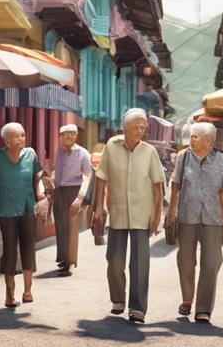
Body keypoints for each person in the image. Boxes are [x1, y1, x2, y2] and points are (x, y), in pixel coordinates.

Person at [91, 108, 165, 324]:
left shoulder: (150, 151)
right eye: (137, 126)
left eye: (144, 127)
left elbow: (158, 188)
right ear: (125, 127)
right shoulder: (112, 147)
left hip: (143, 213)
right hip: (118, 212)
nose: (141, 130)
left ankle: (137, 308)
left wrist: (156, 217)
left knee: (140, 263)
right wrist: (98, 208)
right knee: (114, 259)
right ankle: (118, 299)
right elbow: (101, 177)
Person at [167, 122, 223, 323]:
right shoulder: (183, 157)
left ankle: (203, 308)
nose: (192, 139)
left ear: (209, 142)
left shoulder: (222, 161)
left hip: (213, 217)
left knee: (211, 263)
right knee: (185, 261)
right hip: (187, 215)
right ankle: (187, 299)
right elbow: (176, 185)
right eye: (192, 136)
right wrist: (171, 211)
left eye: (196, 136)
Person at [0, 122, 45, 308]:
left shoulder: (31, 154)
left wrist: (42, 195)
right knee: (9, 250)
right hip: (6, 210)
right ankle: (10, 292)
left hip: (28, 207)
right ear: (6, 140)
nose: (21, 139)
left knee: (28, 247)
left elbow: (38, 177)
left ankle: (28, 290)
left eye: (23, 135)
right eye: (16, 136)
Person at [46, 124, 91, 276]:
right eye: (65, 135)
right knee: (60, 228)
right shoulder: (59, 151)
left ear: (76, 136)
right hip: (59, 192)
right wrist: (51, 186)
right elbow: (55, 170)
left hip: (74, 192)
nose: (69, 137)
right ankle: (63, 259)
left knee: (71, 229)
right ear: (60, 137)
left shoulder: (83, 153)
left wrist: (80, 198)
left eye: (72, 134)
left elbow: (88, 177)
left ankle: (70, 263)